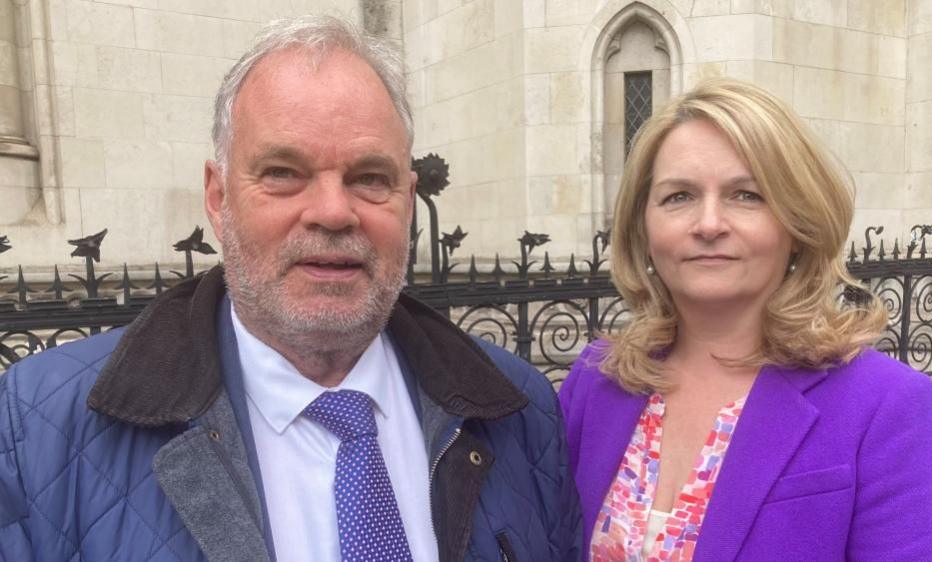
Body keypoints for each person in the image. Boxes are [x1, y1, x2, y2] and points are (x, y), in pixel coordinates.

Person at [0, 16, 580, 562]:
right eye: (282, 173)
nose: (332, 212)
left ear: (407, 199)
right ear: (218, 196)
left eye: (370, 178)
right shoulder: (40, 428)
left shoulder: (521, 410)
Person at [559, 78, 932, 561]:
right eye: (678, 196)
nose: (709, 224)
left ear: (798, 224)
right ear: (643, 227)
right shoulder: (597, 380)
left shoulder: (885, 406)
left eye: (746, 195)